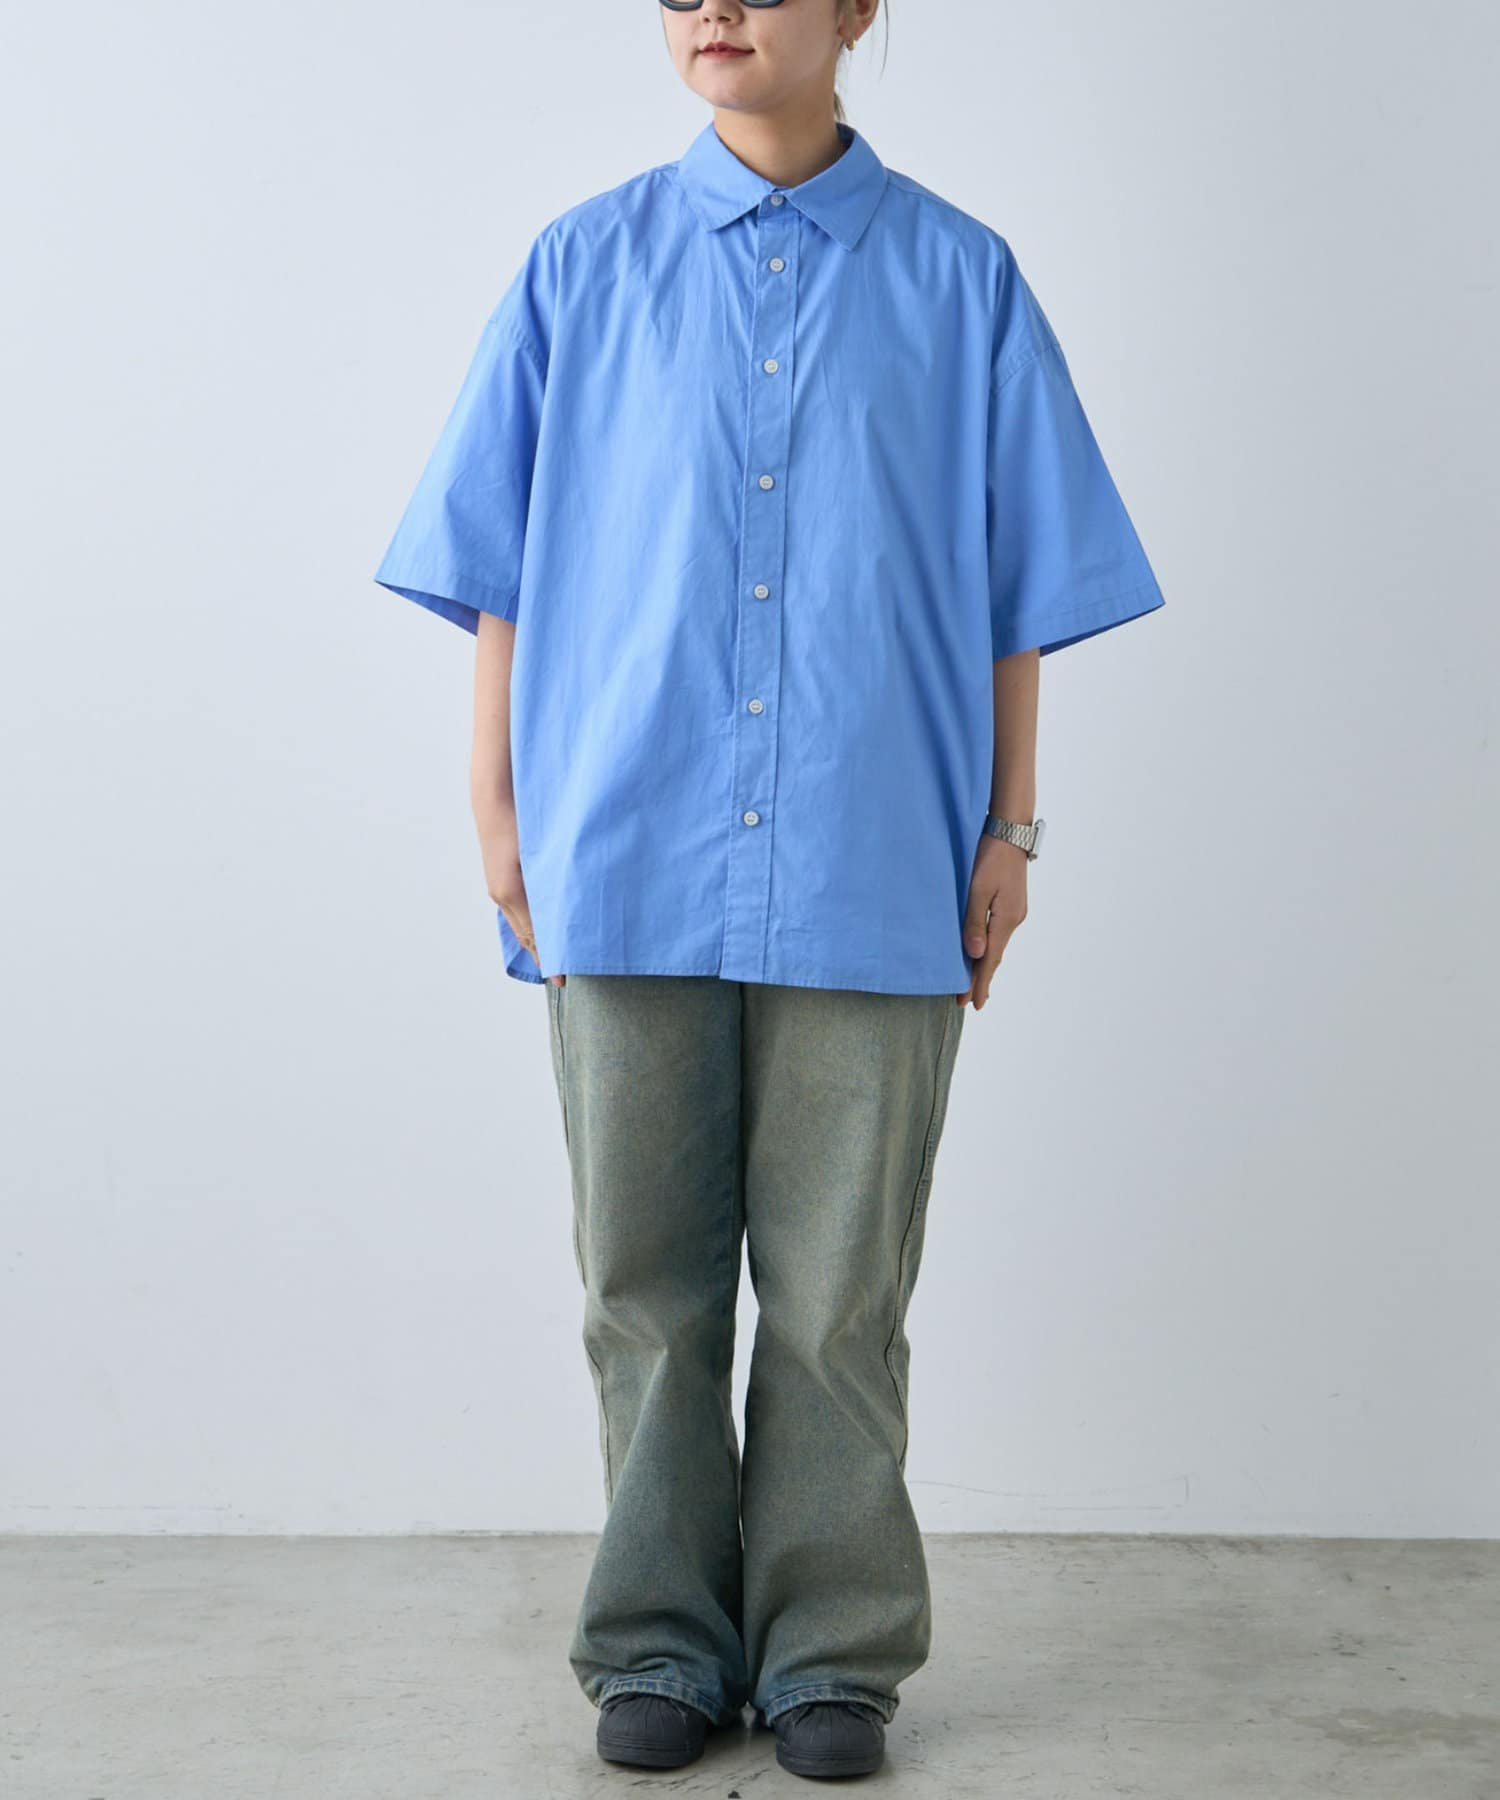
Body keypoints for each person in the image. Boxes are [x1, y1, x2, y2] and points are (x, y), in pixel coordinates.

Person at [373, 0, 1165, 1780]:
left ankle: (830, 1656)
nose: (714, 9)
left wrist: (1012, 830)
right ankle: (656, 1638)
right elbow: (498, 562)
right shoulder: (581, 267)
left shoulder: (962, 278)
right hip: (622, 843)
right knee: (643, 1284)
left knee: (838, 1297)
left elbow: (1022, 585)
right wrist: (496, 805)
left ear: (861, 9)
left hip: (875, 851)